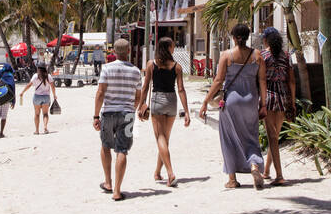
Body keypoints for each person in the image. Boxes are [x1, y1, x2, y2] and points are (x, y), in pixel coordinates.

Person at [198, 22, 267, 190]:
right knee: (251, 136)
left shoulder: (226, 56)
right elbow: (263, 81)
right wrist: (263, 104)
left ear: (234, 38)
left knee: (228, 138)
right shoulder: (257, 55)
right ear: (247, 36)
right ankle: (254, 166)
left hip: (231, 102)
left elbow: (218, 81)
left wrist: (206, 101)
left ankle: (232, 179)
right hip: (251, 100)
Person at [137, 36, 190, 186]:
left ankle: (170, 173)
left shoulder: (151, 65)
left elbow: (145, 86)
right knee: (165, 139)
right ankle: (157, 172)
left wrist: (140, 105)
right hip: (172, 101)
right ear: (168, 48)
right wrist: (186, 111)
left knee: (160, 138)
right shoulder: (177, 66)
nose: (173, 48)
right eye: (172, 46)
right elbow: (181, 89)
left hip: (157, 100)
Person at [94, 38, 141, 201]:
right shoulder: (136, 71)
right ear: (129, 51)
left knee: (106, 145)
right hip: (127, 113)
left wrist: (95, 115)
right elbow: (138, 96)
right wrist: (132, 110)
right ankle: (117, 191)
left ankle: (108, 182)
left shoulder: (106, 68)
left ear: (114, 51)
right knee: (122, 150)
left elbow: (100, 93)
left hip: (108, 113)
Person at [260, 27, 297, 186]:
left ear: (266, 40)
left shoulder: (262, 56)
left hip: (268, 95)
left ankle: (279, 175)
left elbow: (260, 79)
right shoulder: (286, 56)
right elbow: (292, 81)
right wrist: (292, 102)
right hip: (283, 96)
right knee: (274, 135)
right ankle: (267, 171)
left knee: (272, 136)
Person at [19, 62, 55, 134]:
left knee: (37, 114)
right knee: (45, 114)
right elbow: (53, 87)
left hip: (37, 97)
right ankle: (45, 128)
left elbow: (29, 85)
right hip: (46, 97)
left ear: (38, 69)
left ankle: (37, 130)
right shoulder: (48, 76)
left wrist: (22, 92)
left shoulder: (35, 76)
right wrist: (54, 95)